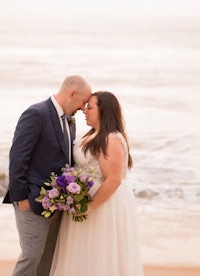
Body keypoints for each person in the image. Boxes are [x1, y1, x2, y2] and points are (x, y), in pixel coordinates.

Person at [3, 75, 92, 276]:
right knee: (32, 255)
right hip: (31, 201)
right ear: (72, 93)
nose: (83, 108)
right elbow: (18, 157)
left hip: (57, 205)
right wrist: (20, 198)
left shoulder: (70, 121)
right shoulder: (36, 114)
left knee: (48, 259)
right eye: (83, 102)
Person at [50, 91, 144, 276]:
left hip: (103, 206)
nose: (84, 110)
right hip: (85, 202)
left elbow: (114, 179)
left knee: (100, 254)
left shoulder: (111, 138)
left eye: (90, 107)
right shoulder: (92, 135)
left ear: (103, 111)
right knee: (82, 255)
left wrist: (90, 207)